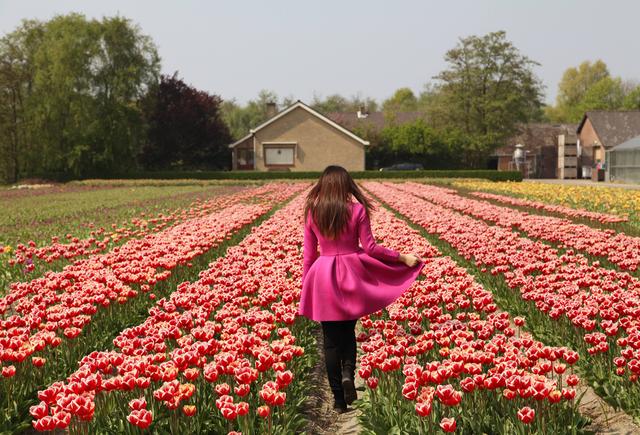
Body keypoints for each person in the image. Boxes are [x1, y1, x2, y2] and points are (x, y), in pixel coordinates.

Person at [298, 165, 425, 413]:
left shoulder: (312, 213)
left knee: (330, 341)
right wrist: (401, 258)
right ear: (347, 186)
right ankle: (348, 373)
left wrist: (306, 285)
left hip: (322, 277)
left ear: (323, 185)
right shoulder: (357, 210)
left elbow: (308, 256)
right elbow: (371, 249)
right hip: (352, 274)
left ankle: (337, 401)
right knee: (348, 332)